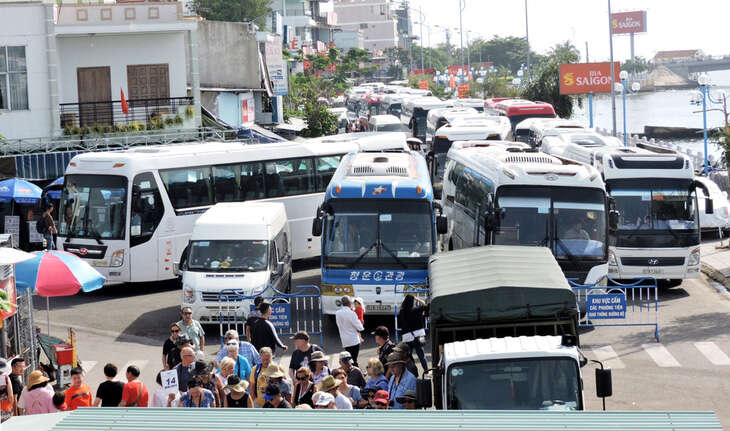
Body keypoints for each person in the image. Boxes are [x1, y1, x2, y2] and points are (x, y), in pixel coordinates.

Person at [397, 295, 429, 372]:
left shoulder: (401, 312)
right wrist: (418, 299)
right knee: (421, 354)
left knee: (409, 356)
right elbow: (426, 306)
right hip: (418, 335)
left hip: (407, 337)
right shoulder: (417, 310)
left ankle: (412, 371)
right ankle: (426, 370)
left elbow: (400, 324)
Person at [335, 296, 364, 367]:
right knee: (354, 360)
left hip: (345, 340)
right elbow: (360, 327)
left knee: (349, 359)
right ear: (349, 303)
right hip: (354, 340)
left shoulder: (338, 313)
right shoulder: (351, 313)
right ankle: (356, 374)